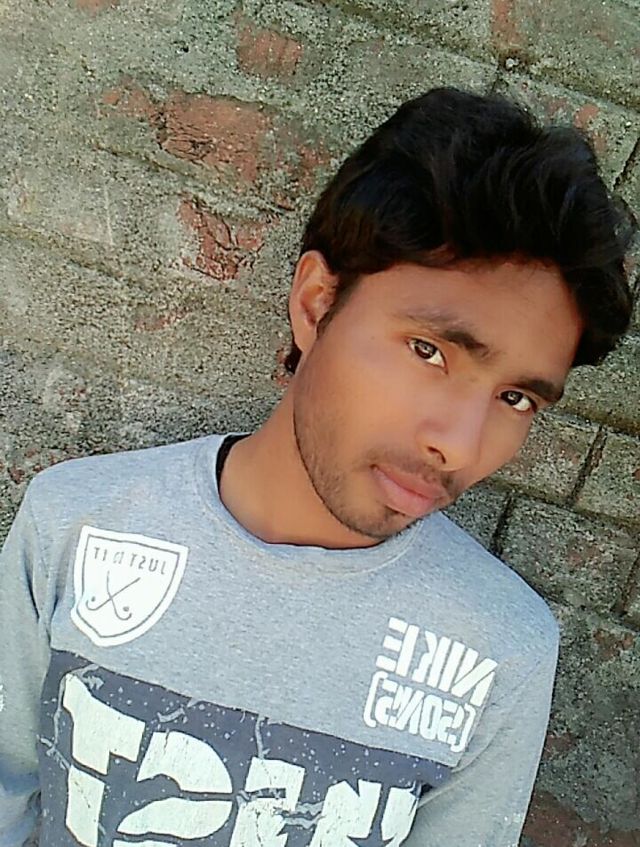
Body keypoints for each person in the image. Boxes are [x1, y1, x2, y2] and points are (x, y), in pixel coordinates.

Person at [0, 87, 633, 847]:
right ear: (315, 303)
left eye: (516, 398)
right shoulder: (76, 524)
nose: (462, 446)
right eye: (429, 351)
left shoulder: (500, 649)